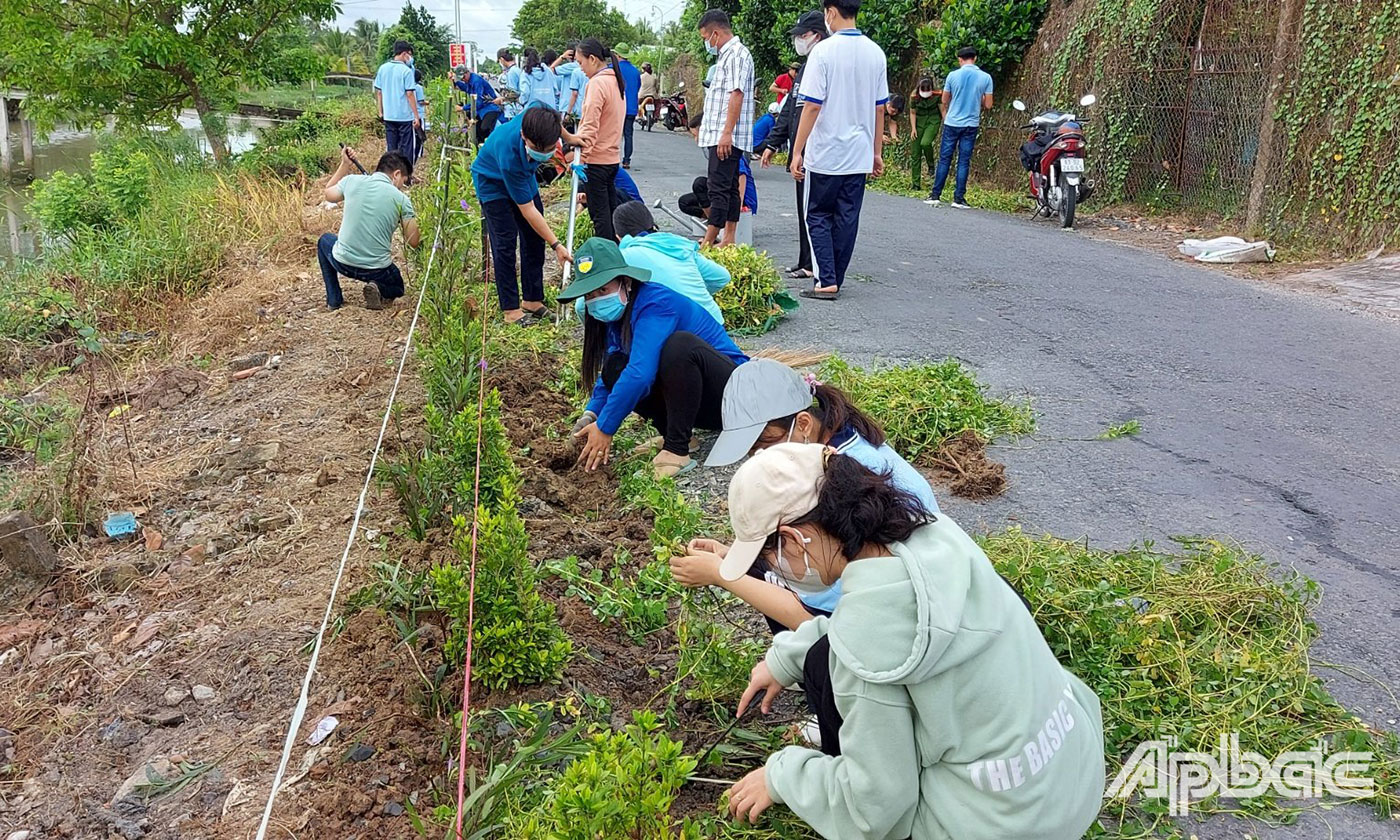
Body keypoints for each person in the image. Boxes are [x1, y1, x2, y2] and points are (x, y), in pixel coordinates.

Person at [714, 443, 1107, 840]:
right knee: (822, 657)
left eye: (769, 556)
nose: (774, 568)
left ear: (795, 541)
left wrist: (783, 776)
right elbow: (884, 620)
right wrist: (784, 658)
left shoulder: (864, 650)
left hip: (1000, 826)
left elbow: (876, 810)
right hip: (1072, 778)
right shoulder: (938, 538)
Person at [671, 358, 940, 630]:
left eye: (766, 443)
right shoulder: (831, 452)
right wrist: (732, 556)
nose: (761, 457)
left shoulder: (852, 480)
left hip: (900, 617)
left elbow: (817, 623)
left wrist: (721, 575)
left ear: (802, 424)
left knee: (770, 581)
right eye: (752, 452)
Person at [561, 237, 748, 479]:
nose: (596, 300)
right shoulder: (617, 319)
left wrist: (605, 427)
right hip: (699, 401)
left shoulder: (657, 304)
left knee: (678, 347)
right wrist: (591, 414)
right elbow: (612, 374)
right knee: (615, 368)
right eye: (590, 295)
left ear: (625, 282)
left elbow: (640, 375)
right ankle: (680, 436)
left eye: (603, 290)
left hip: (733, 396)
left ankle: (677, 450)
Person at [788, 0, 888, 301]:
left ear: (830, 12)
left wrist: (797, 150)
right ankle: (836, 278)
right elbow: (880, 109)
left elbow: (812, 106)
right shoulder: (875, 52)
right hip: (859, 153)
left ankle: (825, 280)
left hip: (827, 152)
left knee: (816, 214)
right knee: (847, 216)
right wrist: (876, 152)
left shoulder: (823, 51)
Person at [471, 106, 572, 325]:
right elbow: (528, 211)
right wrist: (557, 245)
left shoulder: (538, 114)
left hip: (524, 175)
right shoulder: (510, 155)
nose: (545, 153)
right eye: (539, 149)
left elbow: (556, 124)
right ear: (524, 136)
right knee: (505, 245)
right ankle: (511, 310)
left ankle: (532, 300)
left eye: (549, 148)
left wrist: (570, 137)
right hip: (493, 183)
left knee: (534, 238)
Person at [755, 11, 827, 281]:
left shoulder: (823, 64)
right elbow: (789, 111)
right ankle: (805, 261)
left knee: (814, 211)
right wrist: (772, 144)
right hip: (799, 151)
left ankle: (818, 266)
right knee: (803, 208)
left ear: (817, 35)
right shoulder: (805, 68)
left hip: (817, 152)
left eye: (801, 35)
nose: (798, 40)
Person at [318, 148, 420, 311]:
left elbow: (328, 193)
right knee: (398, 287)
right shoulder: (402, 199)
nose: (402, 187)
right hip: (376, 270)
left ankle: (334, 299)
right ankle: (378, 287)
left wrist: (344, 165)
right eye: (404, 181)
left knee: (324, 241)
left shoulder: (351, 181)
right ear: (396, 174)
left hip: (343, 262)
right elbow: (413, 242)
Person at [611, 201, 729, 323]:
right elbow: (722, 277)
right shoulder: (677, 245)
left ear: (618, 236)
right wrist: (694, 293)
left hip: (679, 329)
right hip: (714, 323)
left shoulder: (625, 256)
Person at [696, 9, 755, 247]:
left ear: (716, 33)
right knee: (729, 187)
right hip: (721, 133)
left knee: (717, 187)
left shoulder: (737, 55)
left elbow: (736, 95)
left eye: (705, 38)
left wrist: (726, 133)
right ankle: (728, 238)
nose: (706, 43)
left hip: (726, 134)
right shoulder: (727, 56)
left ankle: (709, 241)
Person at [561, 39, 626, 242]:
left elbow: (590, 125)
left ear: (592, 59)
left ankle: (608, 264)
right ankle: (619, 256)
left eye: (581, 63)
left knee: (600, 217)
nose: (581, 69)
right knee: (611, 212)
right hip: (612, 158)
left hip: (597, 161)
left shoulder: (597, 83)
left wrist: (581, 158)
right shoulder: (615, 79)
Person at [928, 46, 994, 208]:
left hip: (952, 122)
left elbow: (944, 100)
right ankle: (958, 198)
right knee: (963, 161)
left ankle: (935, 195)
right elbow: (989, 104)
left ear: (960, 59)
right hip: (971, 124)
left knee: (944, 159)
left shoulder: (952, 75)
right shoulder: (986, 78)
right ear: (975, 58)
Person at [373, 40, 420, 161]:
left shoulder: (383, 69)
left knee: (392, 148)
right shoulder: (406, 71)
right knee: (406, 148)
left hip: (389, 116)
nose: (410, 58)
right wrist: (416, 116)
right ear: (404, 54)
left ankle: (392, 175)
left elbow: (379, 92)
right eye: (409, 54)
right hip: (404, 117)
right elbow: (409, 94)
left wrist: (381, 112)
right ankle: (406, 176)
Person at [452, 64, 503, 145]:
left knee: (484, 128)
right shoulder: (469, 81)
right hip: (480, 110)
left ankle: (489, 146)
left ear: (467, 72)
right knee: (476, 130)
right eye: (461, 79)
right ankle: (479, 148)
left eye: (463, 77)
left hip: (490, 107)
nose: (463, 80)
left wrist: (463, 108)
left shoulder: (476, 81)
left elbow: (478, 102)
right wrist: (456, 82)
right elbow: (466, 88)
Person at [908, 76, 942, 193]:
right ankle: (915, 184)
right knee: (915, 153)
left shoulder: (938, 94)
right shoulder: (914, 95)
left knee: (925, 143)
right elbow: (912, 112)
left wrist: (947, 125)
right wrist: (913, 128)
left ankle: (931, 165)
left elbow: (942, 110)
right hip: (918, 121)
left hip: (933, 120)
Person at [616, 53, 642, 168]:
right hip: (631, 107)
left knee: (614, 134)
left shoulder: (613, 68)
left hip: (616, 107)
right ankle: (626, 160)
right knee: (628, 134)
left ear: (617, 55)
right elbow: (637, 87)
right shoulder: (635, 71)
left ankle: (612, 159)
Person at [498, 48, 523, 118]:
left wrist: (501, 99)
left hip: (514, 111)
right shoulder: (517, 70)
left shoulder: (512, 72)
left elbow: (513, 93)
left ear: (502, 59)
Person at [638, 62, 660, 128]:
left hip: (642, 95)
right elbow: (657, 87)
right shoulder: (654, 77)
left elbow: (638, 86)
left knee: (637, 104)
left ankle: (639, 115)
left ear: (643, 69)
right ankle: (656, 116)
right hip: (653, 95)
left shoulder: (641, 77)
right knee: (658, 104)